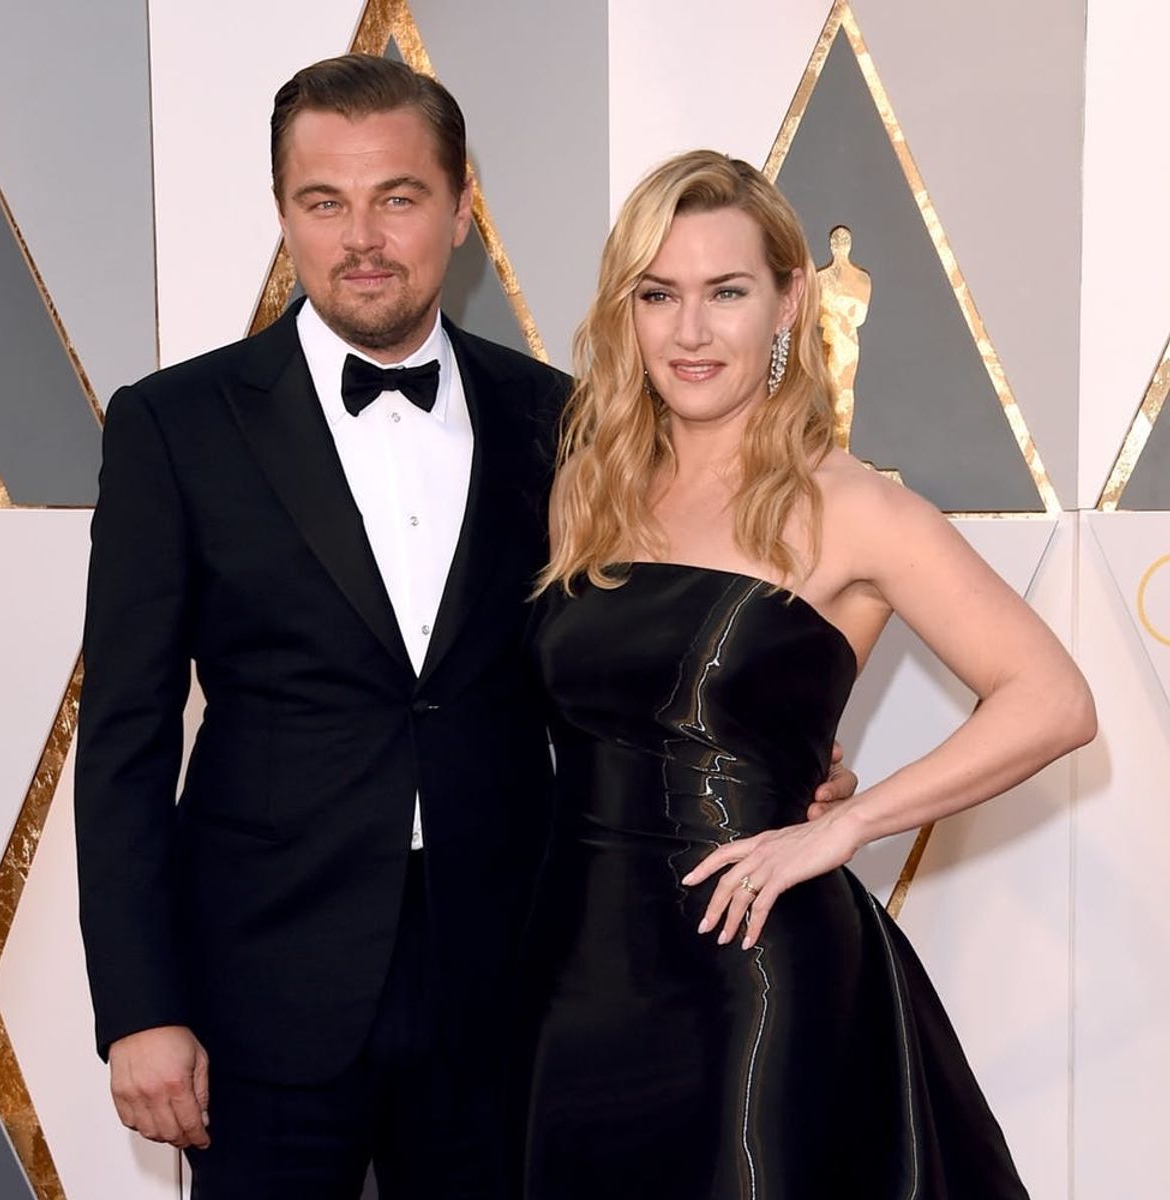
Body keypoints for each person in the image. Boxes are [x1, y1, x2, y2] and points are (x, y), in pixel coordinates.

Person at [73, 52, 863, 1200]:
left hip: (513, 980)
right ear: (282, 215)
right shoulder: (174, 425)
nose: (361, 238)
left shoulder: (563, 422)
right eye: (323, 202)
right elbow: (125, 738)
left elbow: (623, 658)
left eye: (397, 197)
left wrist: (773, 749)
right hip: (261, 994)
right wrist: (140, 1010)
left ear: (460, 209)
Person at [522, 150, 1095, 1200]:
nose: (690, 333)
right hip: (577, 969)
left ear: (789, 300)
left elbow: (1053, 700)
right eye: (659, 295)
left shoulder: (853, 507)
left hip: (752, 972)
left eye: (726, 293)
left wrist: (849, 823)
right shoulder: (588, 493)